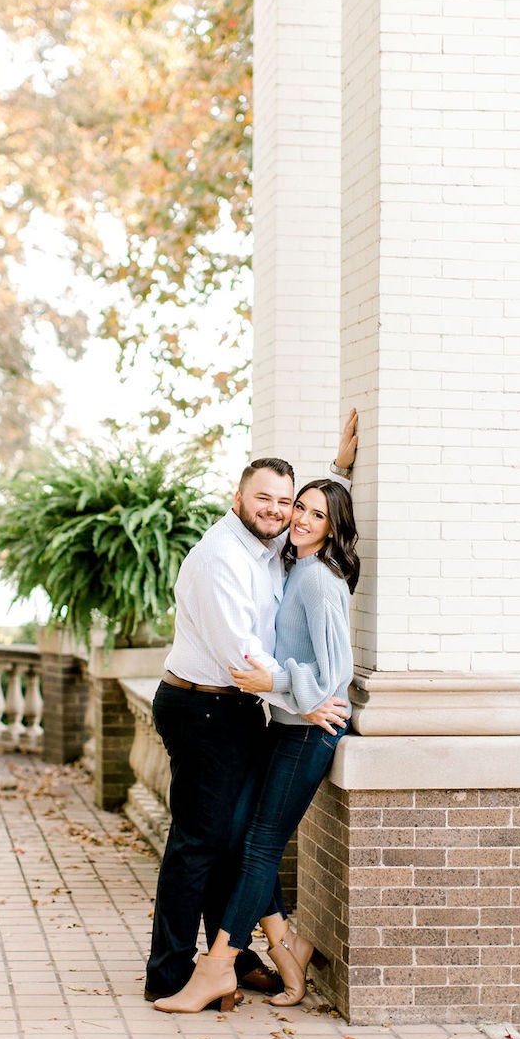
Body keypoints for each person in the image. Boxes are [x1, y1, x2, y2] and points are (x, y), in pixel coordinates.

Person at [144, 415, 358, 1003]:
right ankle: (171, 972)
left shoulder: (274, 548)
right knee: (198, 843)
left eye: (287, 503)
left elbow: (323, 520)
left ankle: (233, 963)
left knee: (232, 837)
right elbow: (243, 660)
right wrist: (305, 699)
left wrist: (339, 474)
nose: (280, 511)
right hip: (202, 707)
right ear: (237, 498)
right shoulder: (223, 558)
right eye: (265, 499)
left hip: (239, 711)